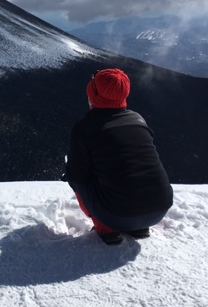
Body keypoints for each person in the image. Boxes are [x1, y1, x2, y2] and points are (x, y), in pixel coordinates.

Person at [64, 68, 173, 245]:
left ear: (93, 93)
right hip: (160, 209)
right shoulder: (137, 119)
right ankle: (138, 226)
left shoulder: (85, 128)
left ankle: (106, 228)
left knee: (75, 172)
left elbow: (78, 175)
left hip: (116, 215)